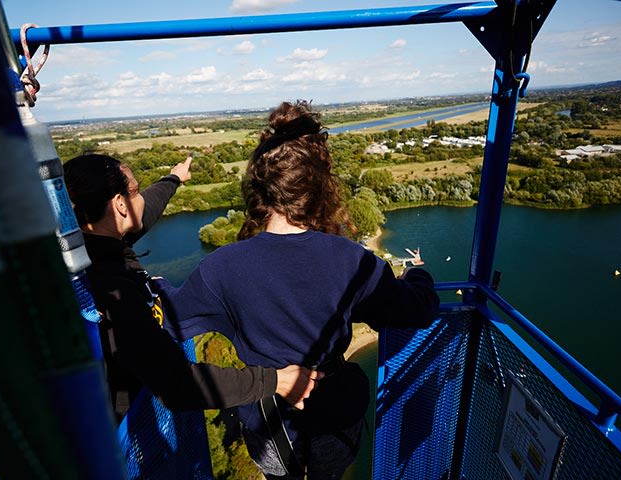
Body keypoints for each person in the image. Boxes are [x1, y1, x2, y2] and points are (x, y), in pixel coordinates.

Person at [157, 101, 440, 479]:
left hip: (266, 417)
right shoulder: (351, 261)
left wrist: (152, 286)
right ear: (320, 187)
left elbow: (170, 323)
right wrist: (418, 278)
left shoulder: (220, 268)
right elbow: (414, 310)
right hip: (335, 410)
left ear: (260, 189)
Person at [63, 153, 322, 421]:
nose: (141, 198)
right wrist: (274, 382)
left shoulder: (89, 248)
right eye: (136, 190)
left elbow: (144, 210)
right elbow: (176, 383)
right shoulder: (116, 290)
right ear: (120, 204)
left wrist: (174, 179)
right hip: (123, 429)